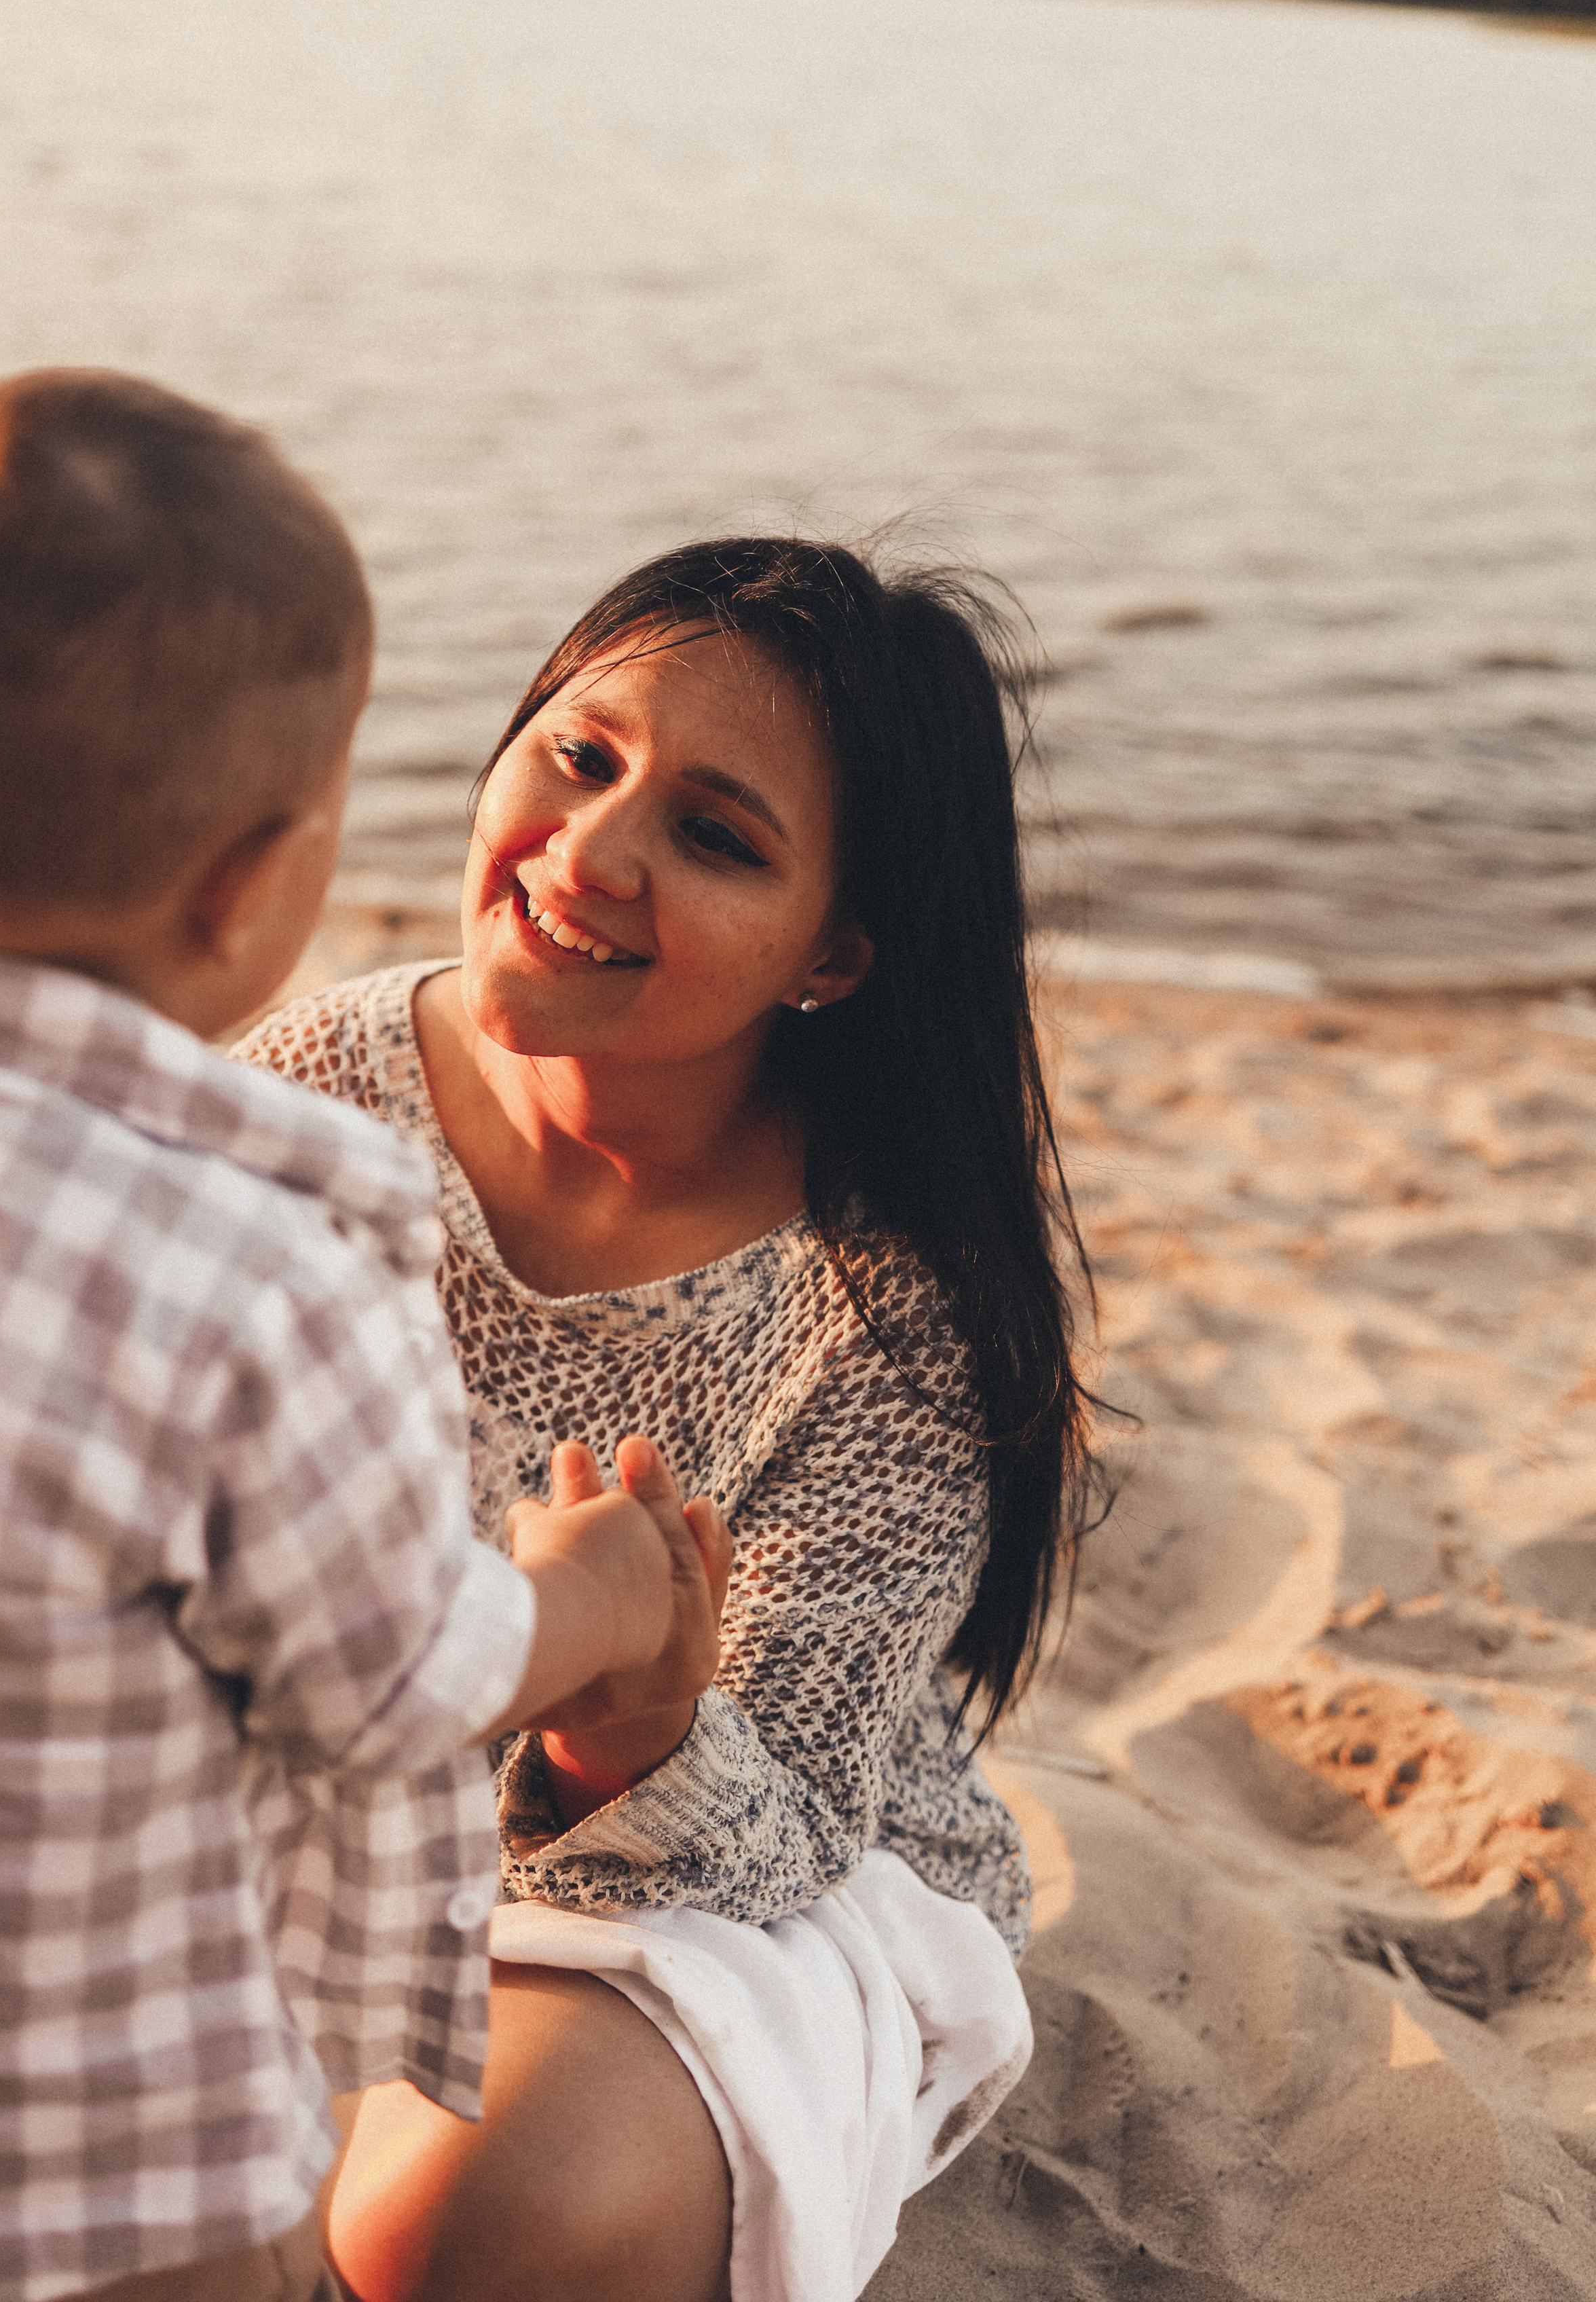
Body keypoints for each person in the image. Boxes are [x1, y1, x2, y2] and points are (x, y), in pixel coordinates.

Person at [0, 371, 726, 2302]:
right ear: (250, 882)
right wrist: (588, 1597)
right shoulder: (258, 1261)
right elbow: (389, 1673)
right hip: (91, 2164)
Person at [240, 534, 1098, 2302]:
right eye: (581, 753)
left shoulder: (886, 1309)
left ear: (833, 953)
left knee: (448, 2213)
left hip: (735, 1877)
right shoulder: (306, 1100)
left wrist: (623, 1724)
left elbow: (783, 1830)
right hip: (312, 1795)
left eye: (714, 837)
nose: (593, 852)